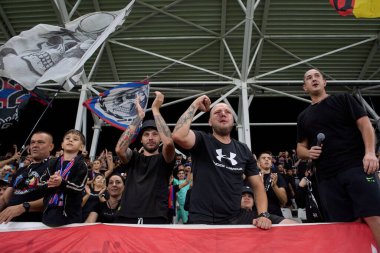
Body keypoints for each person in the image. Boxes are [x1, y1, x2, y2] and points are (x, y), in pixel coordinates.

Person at [296, 68, 380, 248]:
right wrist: (308, 152)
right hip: (326, 178)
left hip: (356, 167)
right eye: (309, 78)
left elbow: (365, 126)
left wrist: (370, 153)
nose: (314, 79)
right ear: (305, 87)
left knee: (374, 215)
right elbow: (300, 148)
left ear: (325, 82)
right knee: (345, 225)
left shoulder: (344, 99)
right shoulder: (303, 117)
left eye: (317, 76)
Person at [172, 96, 271, 229]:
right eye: (217, 112)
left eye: (227, 112)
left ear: (233, 121)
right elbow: (178, 135)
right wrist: (195, 104)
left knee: (288, 224)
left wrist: (263, 214)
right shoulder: (202, 140)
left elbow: (258, 186)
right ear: (210, 122)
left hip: (236, 218)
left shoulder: (243, 149)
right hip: (202, 219)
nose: (223, 114)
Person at [114, 91, 175, 224]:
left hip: (156, 218)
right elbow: (119, 149)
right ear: (141, 140)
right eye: (146, 135)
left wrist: (155, 109)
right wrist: (139, 117)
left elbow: (169, 142)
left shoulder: (165, 159)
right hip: (126, 216)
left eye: (155, 134)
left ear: (160, 138)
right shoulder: (133, 157)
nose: (151, 138)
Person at [0, 131, 54, 223]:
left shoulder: (55, 166)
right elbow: (5, 199)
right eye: (32, 142)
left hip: (34, 226)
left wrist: (24, 207)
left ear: (51, 147)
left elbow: (56, 199)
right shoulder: (21, 170)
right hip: (9, 224)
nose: (35, 145)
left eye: (40, 142)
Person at [42, 129, 88, 226]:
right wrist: (49, 182)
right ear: (62, 145)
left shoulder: (81, 165)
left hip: (70, 217)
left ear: (81, 147)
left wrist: (62, 183)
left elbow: (79, 187)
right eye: (67, 138)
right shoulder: (52, 162)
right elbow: (42, 182)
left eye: (75, 139)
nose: (70, 140)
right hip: (49, 214)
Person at [257, 151, 287, 217]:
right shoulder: (254, 177)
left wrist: (274, 186)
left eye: (269, 158)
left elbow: (284, 201)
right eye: (263, 158)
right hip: (258, 215)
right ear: (258, 163)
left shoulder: (277, 176)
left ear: (271, 163)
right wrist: (259, 185)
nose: (267, 159)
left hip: (275, 214)